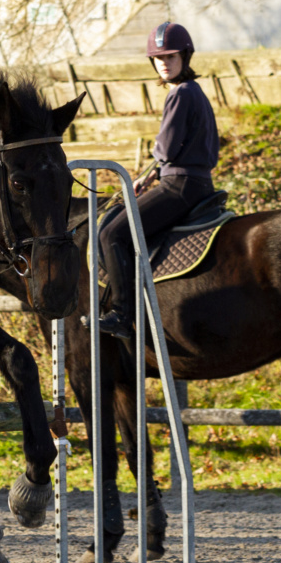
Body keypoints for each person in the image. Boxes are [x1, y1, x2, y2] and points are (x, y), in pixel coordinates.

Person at [97, 21, 220, 339]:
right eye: (158, 58)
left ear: (185, 57)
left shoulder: (179, 94)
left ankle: (122, 314)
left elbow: (165, 148)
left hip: (179, 186)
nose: (164, 63)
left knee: (112, 233)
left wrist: (156, 161)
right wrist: (149, 174)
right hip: (193, 181)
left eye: (171, 56)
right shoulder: (197, 92)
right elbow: (175, 152)